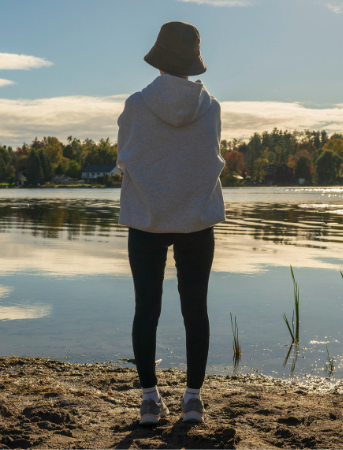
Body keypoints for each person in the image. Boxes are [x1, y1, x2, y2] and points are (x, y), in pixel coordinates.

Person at [115, 21, 225, 425]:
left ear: (159, 59)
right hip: (197, 219)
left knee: (147, 309)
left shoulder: (136, 104)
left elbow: (125, 157)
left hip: (146, 218)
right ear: (193, 63)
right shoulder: (211, 107)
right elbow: (207, 159)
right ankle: (193, 400)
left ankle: (148, 400)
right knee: (196, 309)